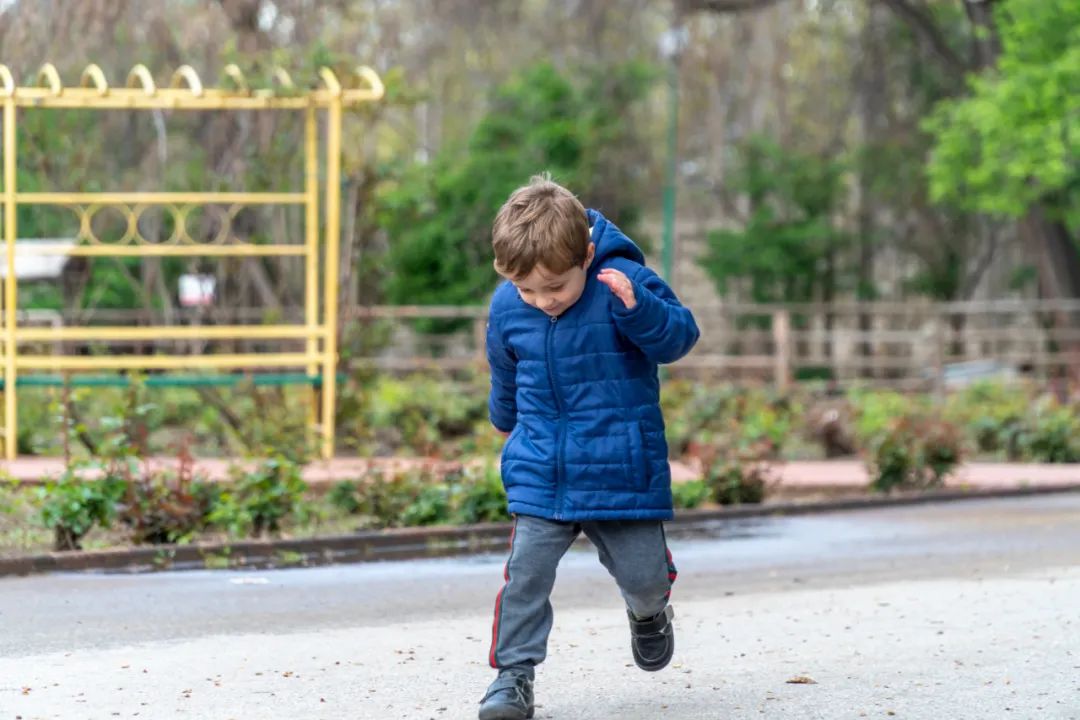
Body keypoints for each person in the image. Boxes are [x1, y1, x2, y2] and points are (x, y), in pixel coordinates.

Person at [479, 174, 700, 720]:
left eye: (554, 287)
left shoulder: (622, 280)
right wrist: (505, 421)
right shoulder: (509, 305)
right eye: (527, 290)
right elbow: (506, 371)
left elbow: (679, 337)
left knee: (644, 580)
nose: (541, 301)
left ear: (587, 254)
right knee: (525, 576)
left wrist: (637, 309)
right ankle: (513, 677)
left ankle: (650, 613)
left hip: (619, 467)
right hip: (542, 469)